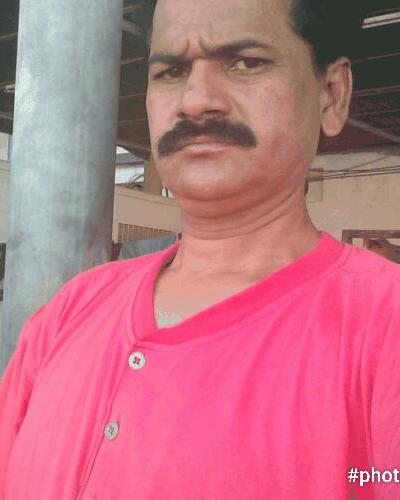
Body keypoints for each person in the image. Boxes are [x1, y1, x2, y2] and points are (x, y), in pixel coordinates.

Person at [1, 0, 399, 498]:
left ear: (332, 94)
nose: (194, 101)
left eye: (246, 62)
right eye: (171, 71)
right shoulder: (70, 311)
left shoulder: (385, 325)